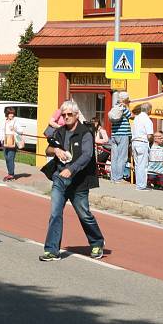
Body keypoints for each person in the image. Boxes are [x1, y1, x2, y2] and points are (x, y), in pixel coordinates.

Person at [40, 100, 104, 261]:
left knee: (84, 215)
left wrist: (71, 169)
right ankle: (52, 250)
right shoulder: (59, 131)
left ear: (76, 115)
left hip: (79, 182)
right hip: (59, 179)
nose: (66, 117)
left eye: (70, 114)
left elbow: (87, 155)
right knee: (55, 214)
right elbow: (47, 149)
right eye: (64, 115)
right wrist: (55, 149)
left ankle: (97, 243)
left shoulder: (85, 133)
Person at [108, 91, 133, 183]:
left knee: (114, 157)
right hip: (123, 135)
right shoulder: (123, 107)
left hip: (114, 134)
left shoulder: (114, 107)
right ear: (126, 99)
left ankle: (113, 177)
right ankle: (118, 178)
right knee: (122, 157)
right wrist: (127, 107)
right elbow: (131, 116)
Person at [131, 102, 154, 190]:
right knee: (143, 165)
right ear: (149, 110)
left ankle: (139, 184)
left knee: (137, 165)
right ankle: (141, 186)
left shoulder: (137, 118)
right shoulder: (147, 120)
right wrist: (151, 142)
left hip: (134, 142)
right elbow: (149, 135)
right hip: (142, 142)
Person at [2, 107, 24, 181]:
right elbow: (1, 131)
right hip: (5, 141)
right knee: (6, 158)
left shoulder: (16, 121)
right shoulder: (4, 121)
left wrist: (15, 129)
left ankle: (11, 174)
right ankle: (10, 173)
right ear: (7, 114)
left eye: (12, 113)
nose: (11, 115)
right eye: (10, 113)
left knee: (10, 157)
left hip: (13, 141)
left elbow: (21, 131)